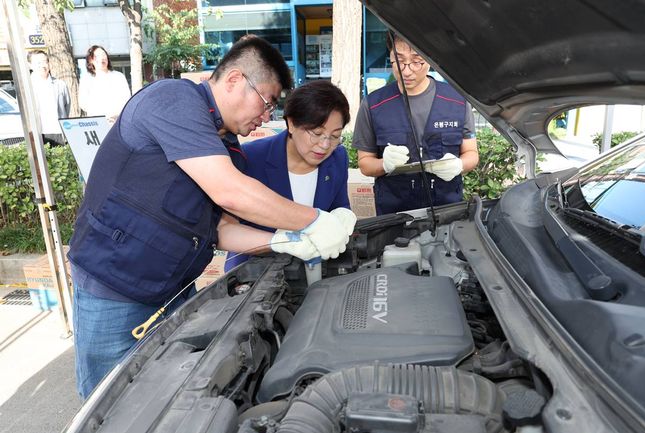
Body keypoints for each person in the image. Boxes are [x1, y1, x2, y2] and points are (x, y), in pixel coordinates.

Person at [68, 37, 356, 399]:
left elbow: (220, 229)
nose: (266, 116)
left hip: (174, 291)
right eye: (266, 101)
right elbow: (229, 191)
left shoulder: (227, 147)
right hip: (114, 290)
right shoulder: (173, 101)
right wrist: (313, 220)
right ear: (235, 79)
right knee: (109, 402)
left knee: (164, 398)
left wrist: (282, 240)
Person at [225, 80, 351, 271]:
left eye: (335, 136)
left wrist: (343, 216)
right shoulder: (249, 158)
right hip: (254, 273)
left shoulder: (338, 158)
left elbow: (339, 206)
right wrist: (277, 241)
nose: (325, 145)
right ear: (291, 123)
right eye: (317, 133)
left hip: (311, 271)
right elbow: (226, 228)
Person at [353, 32, 479, 215]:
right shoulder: (373, 104)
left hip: (446, 210)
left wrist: (459, 165)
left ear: (430, 59)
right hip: (394, 212)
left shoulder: (457, 100)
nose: (407, 70)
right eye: (399, 61)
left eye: (417, 61)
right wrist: (384, 165)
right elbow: (365, 163)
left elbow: (471, 153)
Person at [78, 45, 131, 123]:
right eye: (98, 56)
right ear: (90, 60)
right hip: (97, 122)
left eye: (104, 54)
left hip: (117, 121)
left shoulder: (119, 76)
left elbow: (126, 98)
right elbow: (83, 102)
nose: (102, 58)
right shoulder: (86, 79)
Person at [28, 50, 70, 146]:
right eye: (38, 63)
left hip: (58, 132)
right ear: (30, 65)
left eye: (44, 62)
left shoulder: (60, 84)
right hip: (36, 133)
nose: (42, 65)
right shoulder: (27, 86)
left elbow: (66, 106)